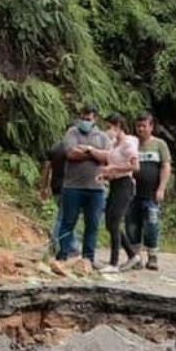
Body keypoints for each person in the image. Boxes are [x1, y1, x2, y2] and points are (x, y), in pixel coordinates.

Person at [53, 105, 111, 264]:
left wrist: (88, 150)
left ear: (95, 119)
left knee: (92, 224)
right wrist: (94, 154)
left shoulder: (103, 136)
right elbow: (71, 153)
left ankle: (88, 259)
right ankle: (63, 255)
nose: (85, 122)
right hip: (72, 187)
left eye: (89, 119)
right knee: (68, 222)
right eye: (84, 118)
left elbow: (108, 157)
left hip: (96, 189)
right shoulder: (72, 132)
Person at [124, 112, 173, 271]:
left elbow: (166, 167)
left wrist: (161, 188)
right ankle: (136, 257)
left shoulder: (160, 145)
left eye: (144, 126)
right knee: (132, 225)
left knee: (151, 225)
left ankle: (152, 257)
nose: (141, 129)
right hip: (131, 194)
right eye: (138, 126)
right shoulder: (131, 144)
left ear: (151, 127)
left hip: (151, 194)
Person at [99, 113, 139, 272]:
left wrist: (114, 169)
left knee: (115, 222)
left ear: (118, 126)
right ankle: (132, 255)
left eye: (109, 126)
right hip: (115, 183)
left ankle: (114, 263)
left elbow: (135, 167)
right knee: (110, 223)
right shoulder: (114, 144)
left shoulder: (129, 143)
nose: (108, 130)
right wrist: (106, 174)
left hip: (125, 184)